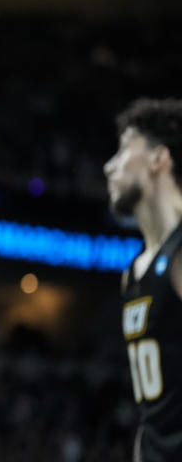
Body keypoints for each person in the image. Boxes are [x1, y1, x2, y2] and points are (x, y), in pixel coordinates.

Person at [104, 98, 182, 461]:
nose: (109, 167)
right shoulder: (133, 274)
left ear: (158, 159)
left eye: (122, 152)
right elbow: (153, 415)